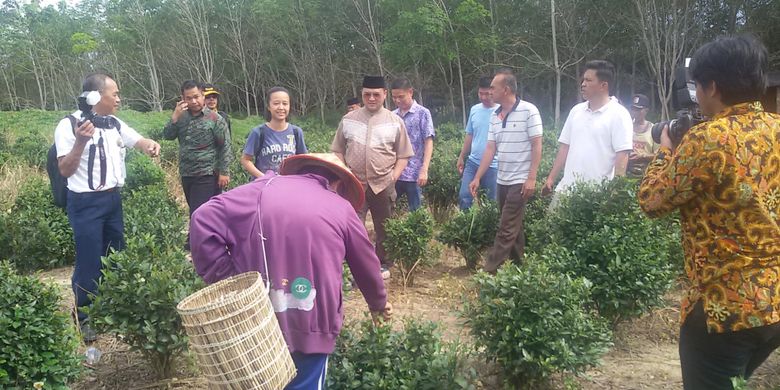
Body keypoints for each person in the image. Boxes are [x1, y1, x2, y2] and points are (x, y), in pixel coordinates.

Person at [638, 35, 780, 390]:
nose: (697, 95)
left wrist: (666, 150)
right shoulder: (777, 129)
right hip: (774, 302)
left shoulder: (708, 138)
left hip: (724, 310)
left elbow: (652, 202)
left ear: (712, 86)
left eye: (697, 86)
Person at [189, 153, 393, 389]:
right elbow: (366, 264)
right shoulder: (341, 207)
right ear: (337, 183)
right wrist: (378, 304)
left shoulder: (259, 190)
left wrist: (230, 279)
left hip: (254, 318)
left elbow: (202, 218)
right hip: (311, 323)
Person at [54, 72, 161, 341]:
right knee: (89, 261)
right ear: (95, 97)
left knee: (115, 256)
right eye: (115, 94)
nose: (118, 99)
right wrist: (80, 142)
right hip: (84, 203)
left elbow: (137, 140)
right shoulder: (68, 125)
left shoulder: (113, 123)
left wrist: (149, 145)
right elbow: (64, 170)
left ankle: (114, 309)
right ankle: (84, 316)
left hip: (113, 200)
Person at [331, 75, 414, 279]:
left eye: (376, 94)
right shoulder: (348, 120)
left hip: (383, 183)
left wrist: (393, 176)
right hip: (354, 184)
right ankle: (355, 266)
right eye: (367, 94)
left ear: (384, 95)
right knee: (352, 227)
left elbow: (403, 155)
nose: (371, 98)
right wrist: (344, 171)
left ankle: (384, 263)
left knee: (384, 226)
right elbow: (337, 149)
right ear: (362, 95)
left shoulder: (395, 122)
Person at [468, 70, 542, 272]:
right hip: (502, 178)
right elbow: (490, 149)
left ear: (506, 89)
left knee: (506, 227)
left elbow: (537, 145)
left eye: (493, 87)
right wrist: (477, 177)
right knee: (513, 228)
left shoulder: (529, 110)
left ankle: (489, 272)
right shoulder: (494, 115)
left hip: (520, 179)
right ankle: (519, 268)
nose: (490, 91)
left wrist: (531, 178)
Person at [543, 60, 633, 201]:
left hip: (596, 195)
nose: (583, 84)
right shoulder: (576, 111)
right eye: (583, 80)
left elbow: (622, 155)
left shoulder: (619, 114)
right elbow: (564, 147)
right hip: (565, 191)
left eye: (588, 80)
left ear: (604, 85)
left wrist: (615, 192)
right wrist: (551, 178)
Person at [163, 80, 232, 219]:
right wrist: (174, 117)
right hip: (187, 173)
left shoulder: (215, 119)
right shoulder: (181, 117)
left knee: (198, 214)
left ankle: (193, 240)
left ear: (202, 96)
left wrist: (224, 172)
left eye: (196, 97)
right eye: (189, 98)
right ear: (183, 99)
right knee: (200, 213)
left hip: (206, 174)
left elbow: (225, 146)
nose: (194, 101)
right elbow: (168, 136)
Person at [241, 87, 307, 178]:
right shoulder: (258, 132)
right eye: (276, 103)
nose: (281, 107)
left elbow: (303, 160)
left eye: (285, 103)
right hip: (264, 186)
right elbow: (246, 160)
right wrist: (264, 178)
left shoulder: (296, 132)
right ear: (268, 106)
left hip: (288, 186)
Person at [390, 78, 435, 211]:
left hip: (414, 174)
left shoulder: (423, 113)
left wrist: (424, 169)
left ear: (410, 92)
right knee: (391, 211)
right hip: (395, 173)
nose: (397, 100)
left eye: (401, 97)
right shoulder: (392, 116)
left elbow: (428, 141)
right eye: (394, 97)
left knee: (416, 213)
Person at [457, 76, 499, 209]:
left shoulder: (501, 111)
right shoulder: (474, 110)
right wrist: (462, 156)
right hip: (473, 162)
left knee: (491, 202)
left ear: (493, 92)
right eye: (481, 93)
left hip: (493, 165)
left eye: (487, 94)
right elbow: (470, 134)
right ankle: (465, 226)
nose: (484, 97)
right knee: (464, 196)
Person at [626, 93, 657, 177]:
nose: (634, 112)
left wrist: (643, 156)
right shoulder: (626, 127)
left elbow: (659, 156)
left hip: (645, 176)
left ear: (646, 110)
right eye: (633, 108)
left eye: (638, 109)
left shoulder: (654, 130)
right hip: (626, 174)